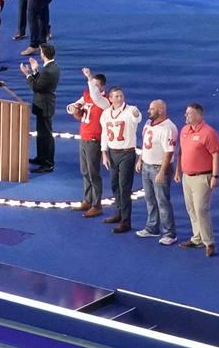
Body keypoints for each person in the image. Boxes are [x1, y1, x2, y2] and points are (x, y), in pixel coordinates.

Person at [176, 103, 219, 255]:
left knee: (201, 209)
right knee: (191, 209)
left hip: (202, 177)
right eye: (186, 113)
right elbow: (181, 153)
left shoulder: (209, 133)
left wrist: (215, 175)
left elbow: (216, 154)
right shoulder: (184, 131)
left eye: (189, 113)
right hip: (187, 176)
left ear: (198, 116)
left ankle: (209, 242)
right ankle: (197, 238)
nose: (186, 116)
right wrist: (178, 171)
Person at [137, 99, 179, 244]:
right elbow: (144, 144)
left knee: (162, 201)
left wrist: (162, 172)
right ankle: (152, 227)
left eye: (152, 109)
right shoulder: (148, 123)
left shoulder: (168, 128)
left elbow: (169, 153)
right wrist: (140, 159)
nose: (149, 111)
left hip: (158, 168)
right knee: (150, 199)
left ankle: (169, 233)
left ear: (161, 110)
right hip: (147, 166)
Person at [100, 86, 142, 232]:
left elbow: (137, 118)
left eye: (121, 95)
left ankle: (126, 221)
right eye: (116, 96)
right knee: (114, 185)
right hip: (112, 152)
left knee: (124, 187)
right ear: (110, 99)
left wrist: (137, 114)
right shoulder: (106, 113)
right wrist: (104, 153)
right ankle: (118, 213)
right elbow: (104, 134)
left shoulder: (130, 110)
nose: (119, 98)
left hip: (127, 153)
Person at [68, 69, 108, 216]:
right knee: (85, 171)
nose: (93, 87)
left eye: (96, 85)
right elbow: (74, 105)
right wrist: (72, 108)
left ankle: (97, 205)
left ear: (102, 87)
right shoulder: (87, 95)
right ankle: (88, 199)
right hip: (83, 137)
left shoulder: (105, 101)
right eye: (93, 85)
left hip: (94, 140)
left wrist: (89, 77)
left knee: (93, 173)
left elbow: (96, 97)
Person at [24, 45, 62, 173]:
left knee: (46, 135)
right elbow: (42, 83)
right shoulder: (52, 67)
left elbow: (37, 87)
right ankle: (41, 157)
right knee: (42, 134)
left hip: (44, 105)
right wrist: (35, 71)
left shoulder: (48, 70)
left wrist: (28, 75)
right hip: (44, 105)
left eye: (41, 51)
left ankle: (48, 163)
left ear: (44, 54)